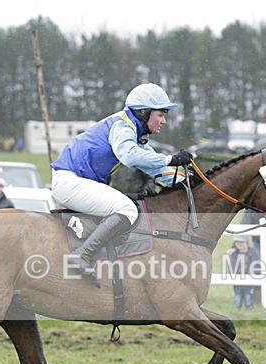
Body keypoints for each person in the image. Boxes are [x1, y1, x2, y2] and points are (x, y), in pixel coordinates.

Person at [50, 83, 193, 286]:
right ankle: (82, 255)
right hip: (70, 182)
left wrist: (191, 181)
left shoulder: (134, 134)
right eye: (160, 115)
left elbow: (156, 169)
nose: (164, 121)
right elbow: (130, 157)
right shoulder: (122, 126)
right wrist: (171, 159)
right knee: (127, 209)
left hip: (75, 182)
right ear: (143, 112)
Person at [227, 235, 260, 310]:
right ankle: (236, 310)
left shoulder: (253, 253)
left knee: (248, 296)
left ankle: (249, 310)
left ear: (246, 243)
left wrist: (255, 277)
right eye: (237, 242)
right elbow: (232, 266)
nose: (239, 244)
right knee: (237, 296)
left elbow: (256, 267)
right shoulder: (234, 254)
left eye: (241, 242)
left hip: (249, 280)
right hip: (237, 280)